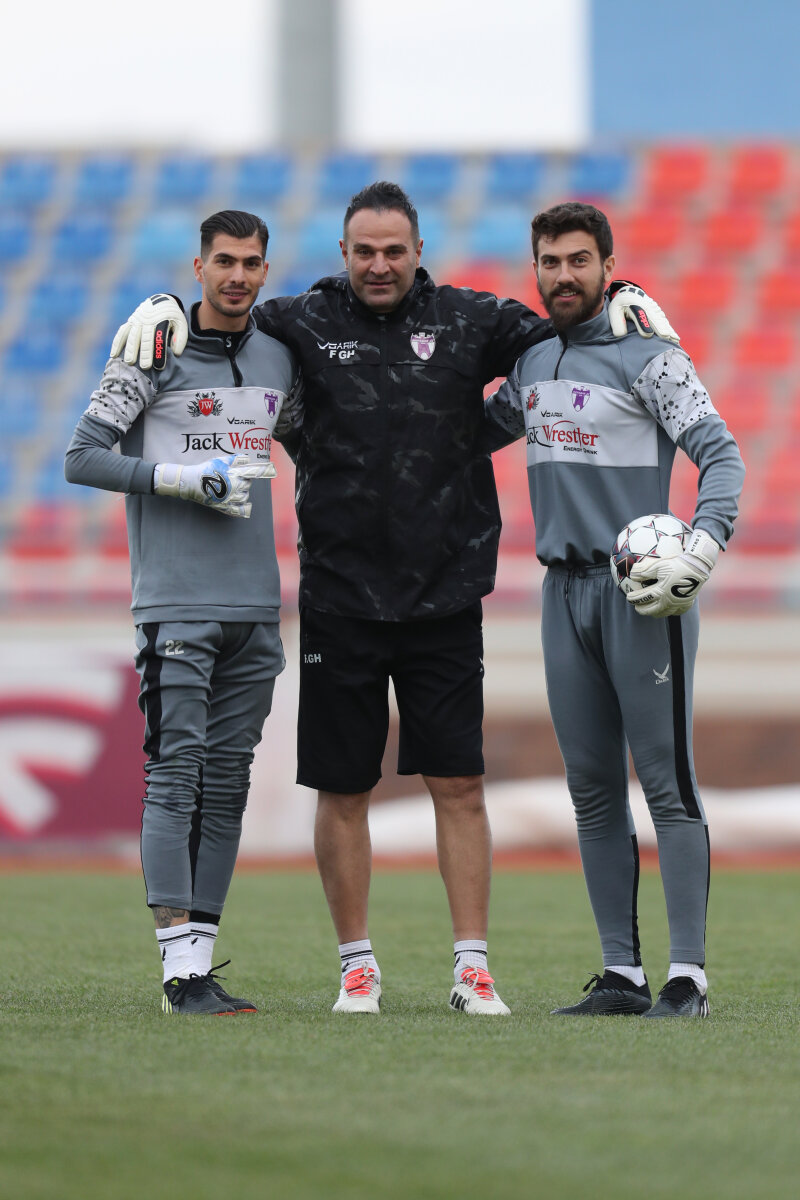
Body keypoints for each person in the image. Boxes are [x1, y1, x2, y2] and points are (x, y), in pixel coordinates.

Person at [110, 182, 676, 1017]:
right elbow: (225, 314)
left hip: (446, 595)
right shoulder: (299, 322)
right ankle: (357, 968)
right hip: (337, 598)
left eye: (394, 251)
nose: (380, 264)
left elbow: (566, 322)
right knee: (343, 791)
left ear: (418, 253)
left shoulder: (472, 319)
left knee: (461, 785)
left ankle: (473, 969)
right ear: (344, 253)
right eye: (365, 251)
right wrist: (164, 305)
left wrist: (621, 292)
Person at [484, 202, 745, 1018]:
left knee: (667, 784)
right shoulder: (532, 364)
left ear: (607, 266)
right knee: (592, 790)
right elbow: (462, 435)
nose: (563, 275)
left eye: (578, 260)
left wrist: (704, 544)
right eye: (550, 262)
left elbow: (721, 454)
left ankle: (688, 978)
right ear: (536, 269)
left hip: (641, 595)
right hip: (561, 594)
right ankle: (623, 976)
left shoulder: (653, 359)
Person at [65, 210, 298, 1015]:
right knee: (175, 775)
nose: (238, 275)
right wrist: (180, 479)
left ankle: (197, 968)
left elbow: (314, 442)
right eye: (224, 261)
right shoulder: (152, 348)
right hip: (174, 604)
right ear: (198, 268)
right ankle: (178, 973)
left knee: (227, 785)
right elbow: (82, 455)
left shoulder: (278, 355)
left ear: (265, 270)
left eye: (252, 263)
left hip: (256, 607)